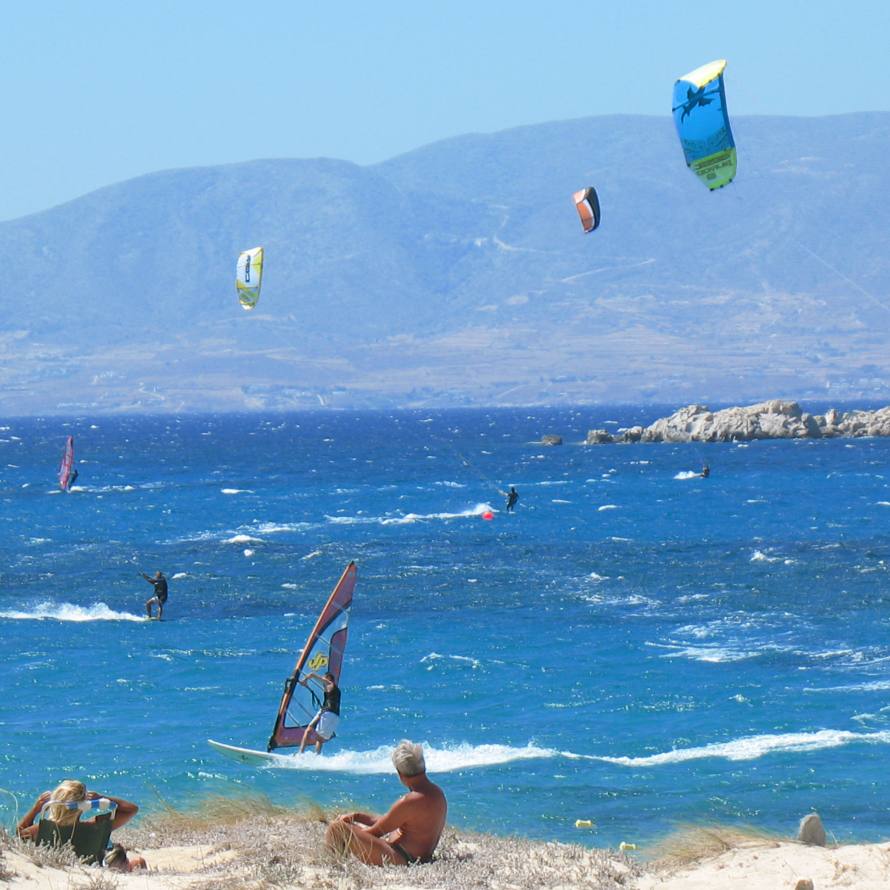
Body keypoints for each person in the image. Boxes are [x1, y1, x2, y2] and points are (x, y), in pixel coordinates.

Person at [326, 740, 447, 866]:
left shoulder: (409, 801)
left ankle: (329, 864)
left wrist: (351, 830)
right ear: (423, 766)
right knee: (345, 827)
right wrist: (357, 817)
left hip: (401, 859)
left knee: (337, 827)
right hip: (418, 858)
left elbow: (375, 833)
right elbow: (389, 821)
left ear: (400, 774)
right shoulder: (437, 793)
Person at [17, 780, 139, 842]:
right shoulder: (95, 827)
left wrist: (35, 810)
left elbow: (18, 836)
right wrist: (103, 798)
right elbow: (131, 810)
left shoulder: (41, 829)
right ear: (83, 805)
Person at [298, 670, 341, 754]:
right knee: (315, 734)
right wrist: (306, 685)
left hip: (328, 713)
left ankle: (300, 753)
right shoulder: (335, 690)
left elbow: (312, 674)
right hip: (334, 715)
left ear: (328, 679)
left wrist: (304, 680)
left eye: (324, 678)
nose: (322, 680)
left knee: (316, 736)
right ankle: (316, 756)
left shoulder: (329, 684)